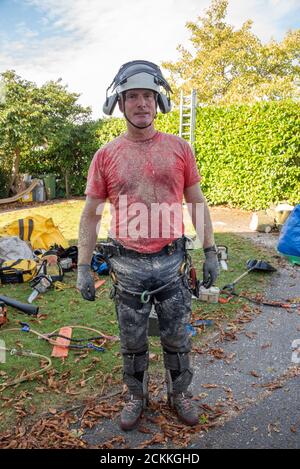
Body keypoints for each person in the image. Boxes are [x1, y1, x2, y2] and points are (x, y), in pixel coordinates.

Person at [77, 60, 219, 431]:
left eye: (148, 96)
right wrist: (82, 267)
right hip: (127, 270)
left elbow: (196, 202)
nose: (141, 103)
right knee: (133, 343)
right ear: (120, 104)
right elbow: (91, 215)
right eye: (132, 97)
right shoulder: (105, 155)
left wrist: (209, 251)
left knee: (176, 338)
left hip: (172, 264)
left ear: (159, 102)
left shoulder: (180, 148)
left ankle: (180, 394)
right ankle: (136, 397)